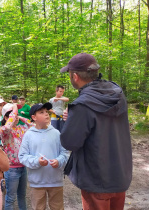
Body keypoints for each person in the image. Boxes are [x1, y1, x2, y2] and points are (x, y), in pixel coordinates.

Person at [60, 53, 132, 210]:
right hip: (120, 174)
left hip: (96, 179)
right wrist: (73, 118)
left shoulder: (82, 105)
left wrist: (71, 120)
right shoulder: (117, 93)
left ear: (75, 76)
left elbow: (70, 142)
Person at [18, 103, 69, 210]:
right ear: (33, 117)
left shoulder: (56, 133)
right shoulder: (28, 135)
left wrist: (58, 161)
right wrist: (37, 161)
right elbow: (22, 156)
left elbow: (65, 153)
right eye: (42, 112)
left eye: (46, 112)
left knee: (58, 207)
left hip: (55, 181)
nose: (46, 114)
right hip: (37, 183)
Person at [0, 103, 33, 210]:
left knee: (22, 196)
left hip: (23, 167)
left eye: (16, 115)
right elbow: (7, 126)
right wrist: (15, 110)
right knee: (10, 198)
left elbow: (33, 126)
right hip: (11, 169)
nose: (15, 117)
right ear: (6, 117)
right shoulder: (4, 130)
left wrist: (21, 117)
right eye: (12, 115)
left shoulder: (21, 128)